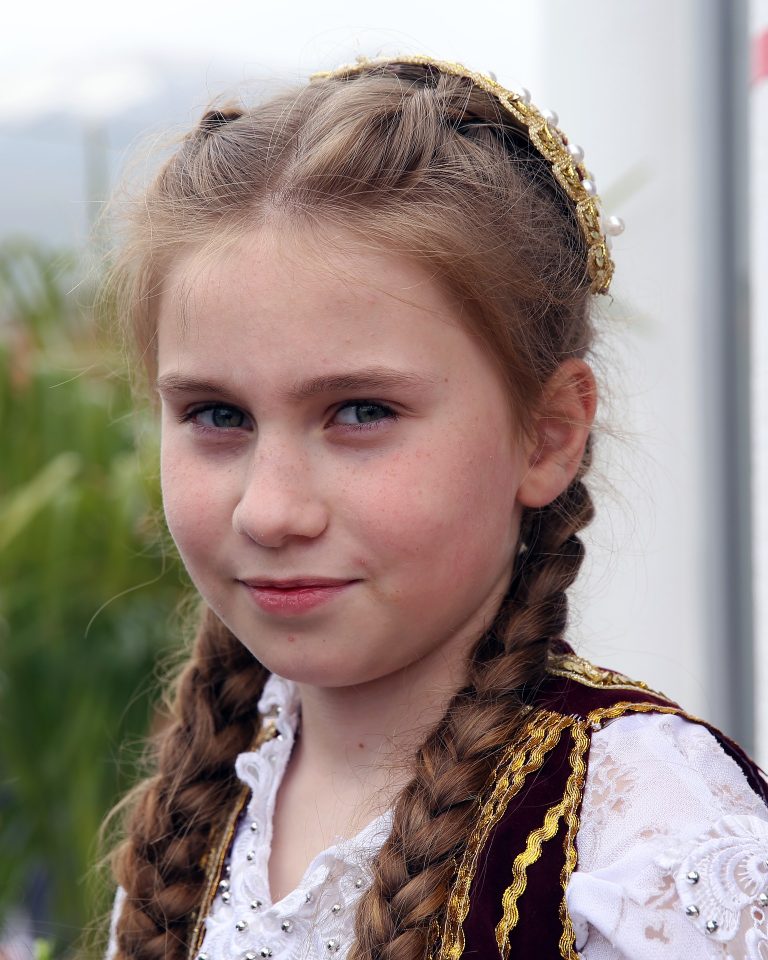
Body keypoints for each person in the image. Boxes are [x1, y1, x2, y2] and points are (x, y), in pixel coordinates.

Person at [102, 55, 768, 960]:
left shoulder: (646, 843)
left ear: (546, 433)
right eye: (217, 416)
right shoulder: (201, 813)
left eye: (362, 412)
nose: (271, 511)